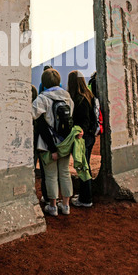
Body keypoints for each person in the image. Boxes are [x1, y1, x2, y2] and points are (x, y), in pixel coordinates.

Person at [33, 68, 74, 216]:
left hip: (47, 144)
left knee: (50, 175)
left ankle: (53, 206)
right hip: (65, 144)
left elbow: (32, 115)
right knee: (65, 173)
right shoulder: (67, 97)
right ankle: (66, 205)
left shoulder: (42, 99)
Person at [67, 70, 97, 207]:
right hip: (90, 136)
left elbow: (83, 120)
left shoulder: (79, 99)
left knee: (83, 167)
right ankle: (85, 195)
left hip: (83, 137)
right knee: (85, 165)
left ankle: (86, 199)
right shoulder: (88, 95)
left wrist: (80, 131)